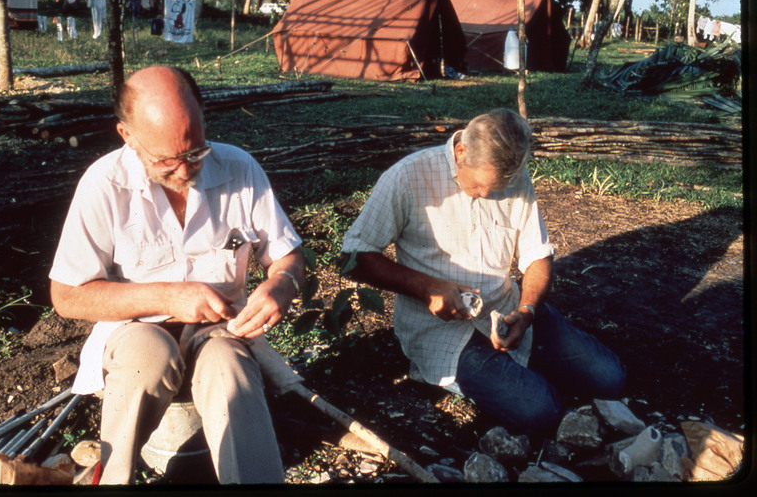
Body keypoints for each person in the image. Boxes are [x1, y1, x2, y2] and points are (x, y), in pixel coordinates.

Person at [49, 66, 304, 484]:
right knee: (146, 358)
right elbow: (67, 295)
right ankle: (113, 480)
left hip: (218, 330)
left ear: (203, 119)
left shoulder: (240, 169)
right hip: (135, 330)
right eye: (165, 160)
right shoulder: (104, 184)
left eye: (196, 152)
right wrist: (168, 297)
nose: (184, 171)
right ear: (127, 135)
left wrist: (282, 284)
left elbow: (287, 256)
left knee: (230, 370)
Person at [340, 109, 626, 439]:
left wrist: (527, 311)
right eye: (478, 185)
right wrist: (426, 287)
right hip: (438, 329)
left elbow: (537, 257)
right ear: (460, 151)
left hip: (504, 308)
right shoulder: (407, 177)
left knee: (610, 378)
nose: (487, 195)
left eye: (496, 187)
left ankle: (519, 361)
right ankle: (443, 369)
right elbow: (353, 257)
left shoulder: (513, 178)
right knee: (541, 409)